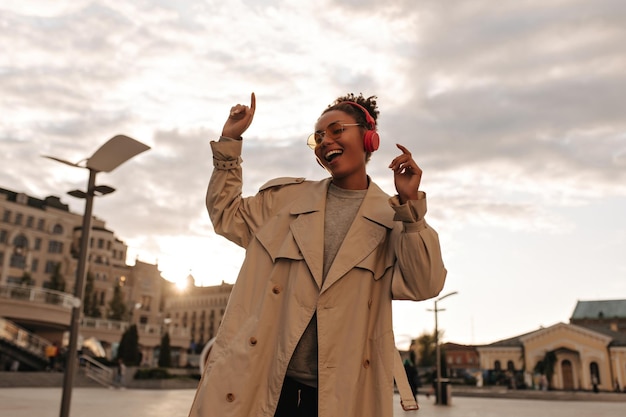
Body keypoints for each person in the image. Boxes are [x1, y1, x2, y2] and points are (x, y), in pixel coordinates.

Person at [188, 92, 447, 417]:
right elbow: (226, 214)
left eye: (337, 130)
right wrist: (230, 140)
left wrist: (411, 209)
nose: (326, 141)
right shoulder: (286, 201)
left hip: (340, 396)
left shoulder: (393, 217)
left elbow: (425, 284)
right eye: (319, 136)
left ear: (369, 139)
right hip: (264, 384)